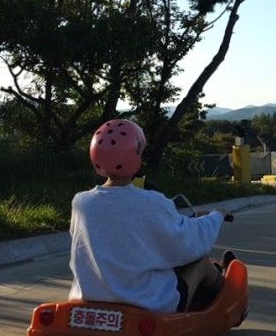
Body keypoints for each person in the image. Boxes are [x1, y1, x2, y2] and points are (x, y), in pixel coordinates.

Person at [69, 118, 233, 313]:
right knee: (202, 262)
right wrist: (216, 216)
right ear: (136, 157)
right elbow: (188, 243)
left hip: (88, 299)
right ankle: (226, 305)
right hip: (148, 304)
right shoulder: (152, 201)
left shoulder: (81, 202)